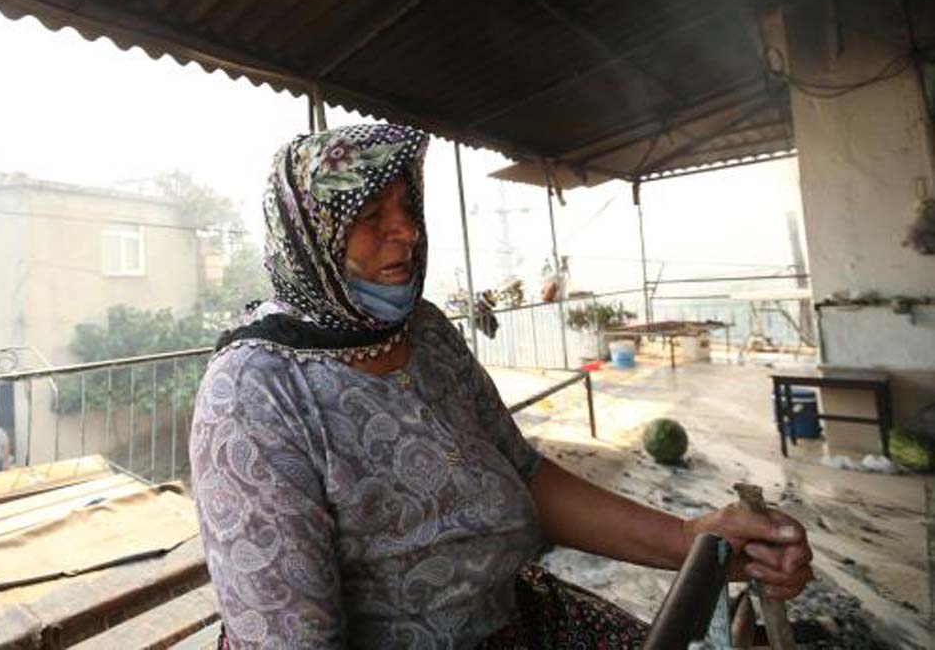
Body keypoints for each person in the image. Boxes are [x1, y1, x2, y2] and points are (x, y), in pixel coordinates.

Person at [190, 125, 813, 648]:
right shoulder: (257, 393)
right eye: (371, 215)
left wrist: (689, 538)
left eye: (408, 207)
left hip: (518, 620)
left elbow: (521, 473)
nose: (404, 231)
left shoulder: (426, 332)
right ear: (308, 236)